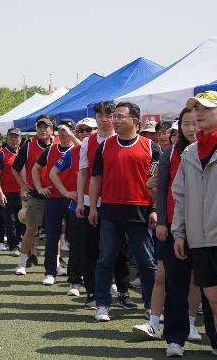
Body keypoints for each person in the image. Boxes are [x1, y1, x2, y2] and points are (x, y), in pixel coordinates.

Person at [134, 107, 207, 352]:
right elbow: (162, 190)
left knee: (204, 284)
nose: (191, 128)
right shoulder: (171, 154)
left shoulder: (209, 151)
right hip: (176, 228)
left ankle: (197, 327)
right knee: (175, 283)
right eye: (186, 124)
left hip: (207, 230)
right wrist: (163, 221)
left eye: (195, 123)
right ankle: (175, 339)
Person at [89, 101, 160, 322]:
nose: (115, 120)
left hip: (141, 211)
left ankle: (151, 305)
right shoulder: (105, 146)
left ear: (135, 122)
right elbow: (96, 178)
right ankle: (102, 304)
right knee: (105, 260)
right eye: (114, 116)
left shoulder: (151, 147)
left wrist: (155, 209)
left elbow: (157, 181)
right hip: (110, 211)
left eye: (120, 117)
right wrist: (93, 207)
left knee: (146, 262)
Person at [75, 101, 133, 310]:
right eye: (101, 115)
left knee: (120, 250)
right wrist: (81, 201)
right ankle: (91, 292)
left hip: (118, 203)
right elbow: (83, 173)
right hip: (93, 203)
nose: (106, 119)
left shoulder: (124, 140)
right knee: (91, 250)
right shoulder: (87, 143)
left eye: (110, 115)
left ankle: (123, 292)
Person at [172, 91, 217, 357]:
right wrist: (179, 233)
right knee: (212, 300)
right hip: (199, 239)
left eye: (207, 108)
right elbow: (180, 196)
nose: (199, 113)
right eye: (196, 108)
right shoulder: (189, 152)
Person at [48, 118, 95, 297]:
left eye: (87, 130)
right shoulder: (72, 152)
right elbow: (53, 173)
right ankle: (75, 281)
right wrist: (66, 192)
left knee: (104, 247)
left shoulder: (104, 150)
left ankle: (109, 282)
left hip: (103, 205)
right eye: (80, 130)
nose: (84, 133)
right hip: (78, 206)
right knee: (77, 245)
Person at [34, 119, 80, 286]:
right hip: (54, 199)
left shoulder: (78, 149)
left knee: (75, 238)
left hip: (74, 199)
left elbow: (84, 148)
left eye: (67, 130)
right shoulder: (50, 150)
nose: (63, 133)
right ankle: (50, 272)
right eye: (60, 129)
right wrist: (39, 187)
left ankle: (75, 276)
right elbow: (35, 169)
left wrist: (71, 135)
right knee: (52, 236)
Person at [12, 115, 56, 275]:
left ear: (52, 130)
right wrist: (23, 185)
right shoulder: (29, 146)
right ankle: (22, 263)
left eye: (46, 127)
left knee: (55, 231)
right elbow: (15, 167)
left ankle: (56, 264)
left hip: (56, 195)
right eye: (39, 127)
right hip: (35, 195)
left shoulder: (59, 144)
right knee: (31, 229)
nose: (43, 130)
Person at [0, 128, 24, 257]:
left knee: (22, 220)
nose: (14, 139)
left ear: (20, 139)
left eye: (16, 137)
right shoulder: (1, 155)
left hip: (22, 194)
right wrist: (0, 193)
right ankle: (14, 246)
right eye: (11, 137)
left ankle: (22, 243)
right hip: (7, 194)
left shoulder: (23, 153)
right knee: (10, 222)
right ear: (7, 138)